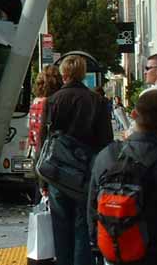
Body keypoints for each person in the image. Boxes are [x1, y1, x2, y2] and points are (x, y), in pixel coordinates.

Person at [39, 55, 113, 265]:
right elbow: (105, 141)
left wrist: (42, 180)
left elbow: (44, 142)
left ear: (63, 74)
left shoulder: (53, 101)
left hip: (58, 173)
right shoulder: (97, 101)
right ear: (83, 74)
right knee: (84, 227)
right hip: (86, 173)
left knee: (61, 228)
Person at [88, 90, 157, 265]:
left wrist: (99, 245)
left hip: (113, 248)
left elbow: (92, 207)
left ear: (133, 114)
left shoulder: (107, 155)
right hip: (155, 252)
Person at [28, 65, 62, 159]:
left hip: (34, 151)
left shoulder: (35, 101)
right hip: (46, 153)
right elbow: (44, 129)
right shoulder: (49, 102)